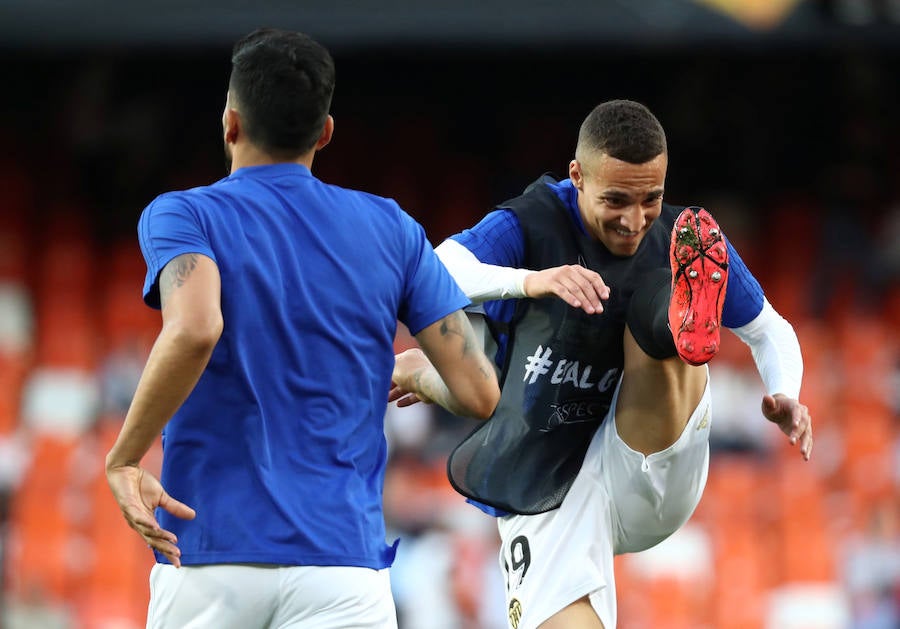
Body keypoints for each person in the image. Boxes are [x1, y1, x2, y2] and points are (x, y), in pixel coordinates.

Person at [104, 27, 500, 629]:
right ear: (325, 132)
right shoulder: (392, 228)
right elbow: (478, 393)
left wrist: (124, 458)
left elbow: (194, 329)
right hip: (343, 569)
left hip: (210, 556)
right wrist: (418, 376)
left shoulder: (184, 214)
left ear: (230, 122)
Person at [390, 99, 813, 629]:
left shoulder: (683, 239)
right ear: (577, 177)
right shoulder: (531, 221)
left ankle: (678, 319)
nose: (634, 220)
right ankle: (423, 372)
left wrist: (787, 391)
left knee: (657, 299)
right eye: (616, 200)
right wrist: (532, 280)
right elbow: (439, 268)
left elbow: (770, 330)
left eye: (651, 199)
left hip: (645, 451)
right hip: (545, 466)